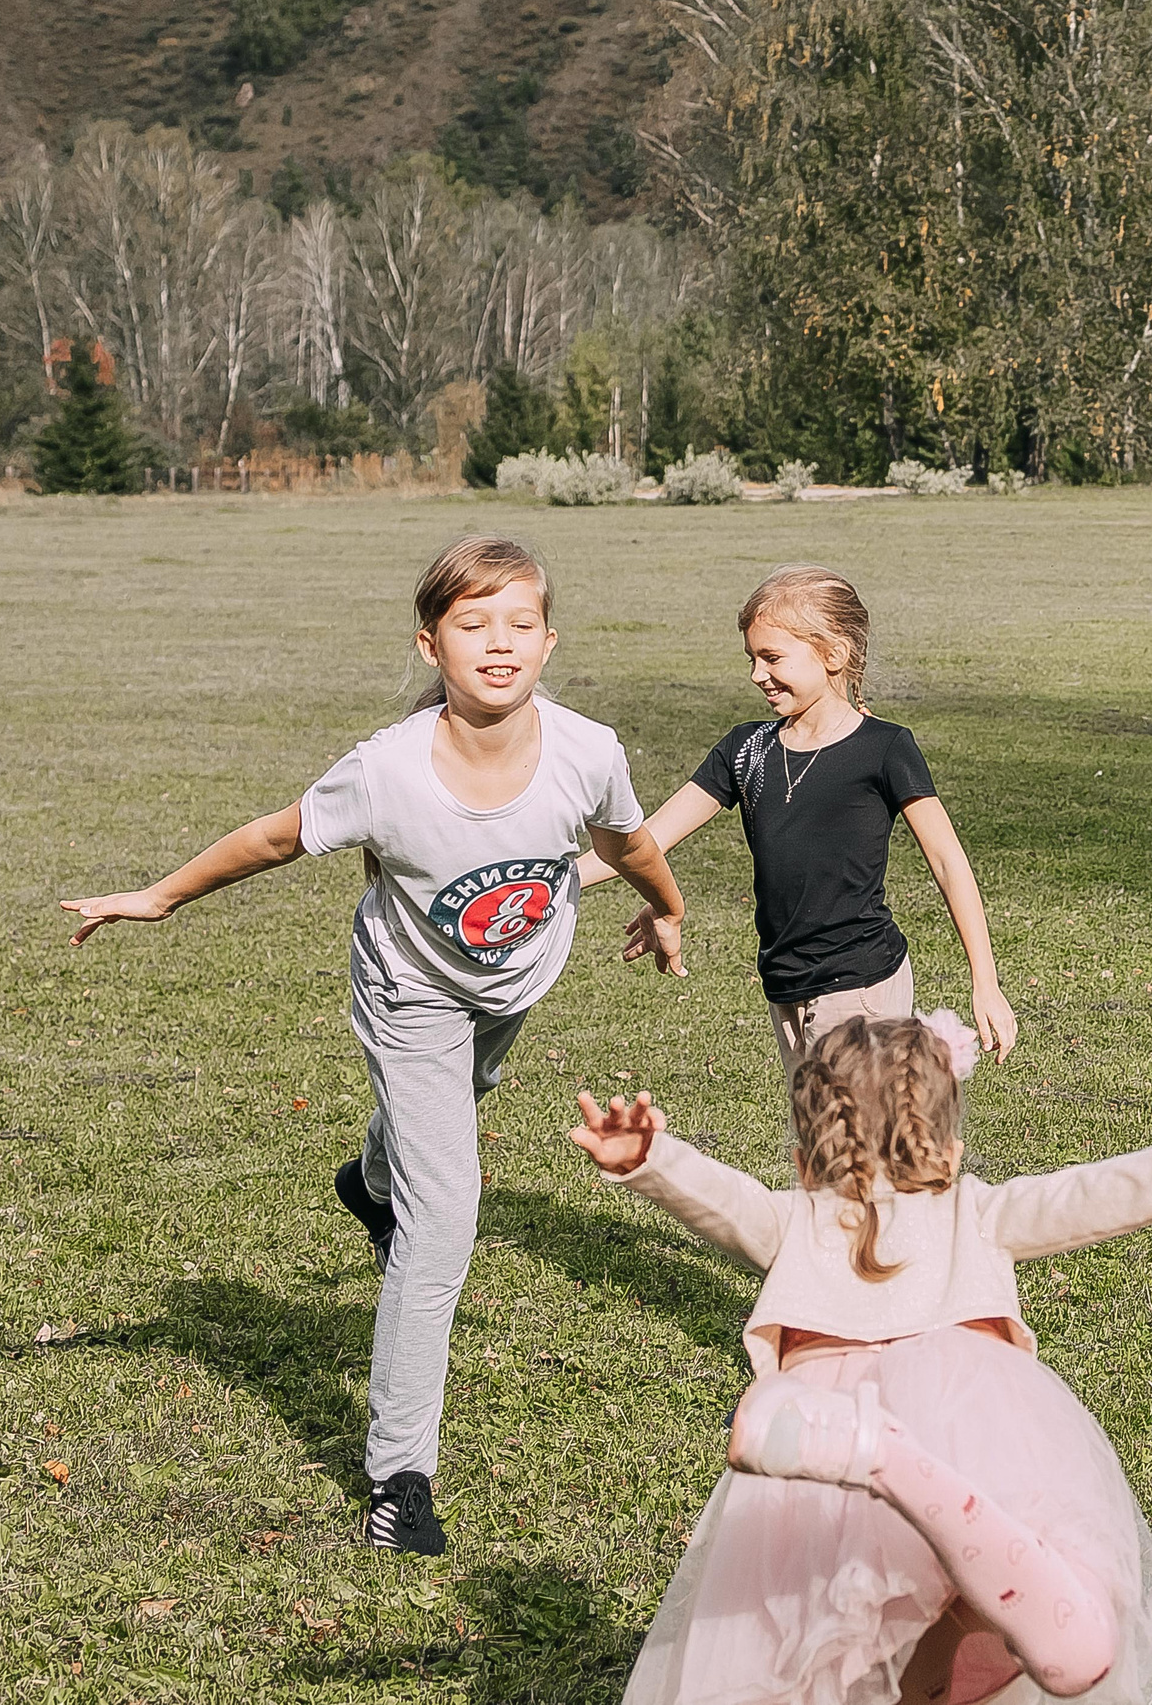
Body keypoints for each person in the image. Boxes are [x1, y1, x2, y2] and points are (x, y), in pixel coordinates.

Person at [58, 535, 688, 1557]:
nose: (498, 645)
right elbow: (271, 837)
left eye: (518, 624)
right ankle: (401, 1479)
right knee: (444, 1219)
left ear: (549, 640)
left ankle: (368, 1180)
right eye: (472, 625)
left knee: (438, 1129)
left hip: (513, 984)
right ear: (430, 644)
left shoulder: (588, 750)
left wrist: (667, 909)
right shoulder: (387, 772)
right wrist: (159, 898)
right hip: (410, 998)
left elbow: (626, 843)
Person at [568, 1014, 1152, 1705]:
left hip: (828, 1482)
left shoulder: (796, 1219)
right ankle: (1031, 1595)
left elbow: (724, 1200)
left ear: (800, 1162)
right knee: (969, 1626)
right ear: (949, 1150)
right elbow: (1083, 1196)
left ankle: (886, 1462)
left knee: (815, 1650)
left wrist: (650, 1158)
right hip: (976, 1447)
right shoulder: (976, 1210)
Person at [575, 565, 1018, 1079]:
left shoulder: (884, 749)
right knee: (819, 1143)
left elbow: (947, 861)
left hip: (862, 984)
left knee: (856, 1147)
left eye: (772, 657)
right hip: (784, 984)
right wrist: (554, 879)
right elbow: (644, 840)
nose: (756, 674)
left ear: (834, 654)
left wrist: (984, 980)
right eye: (752, 658)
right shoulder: (745, 750)